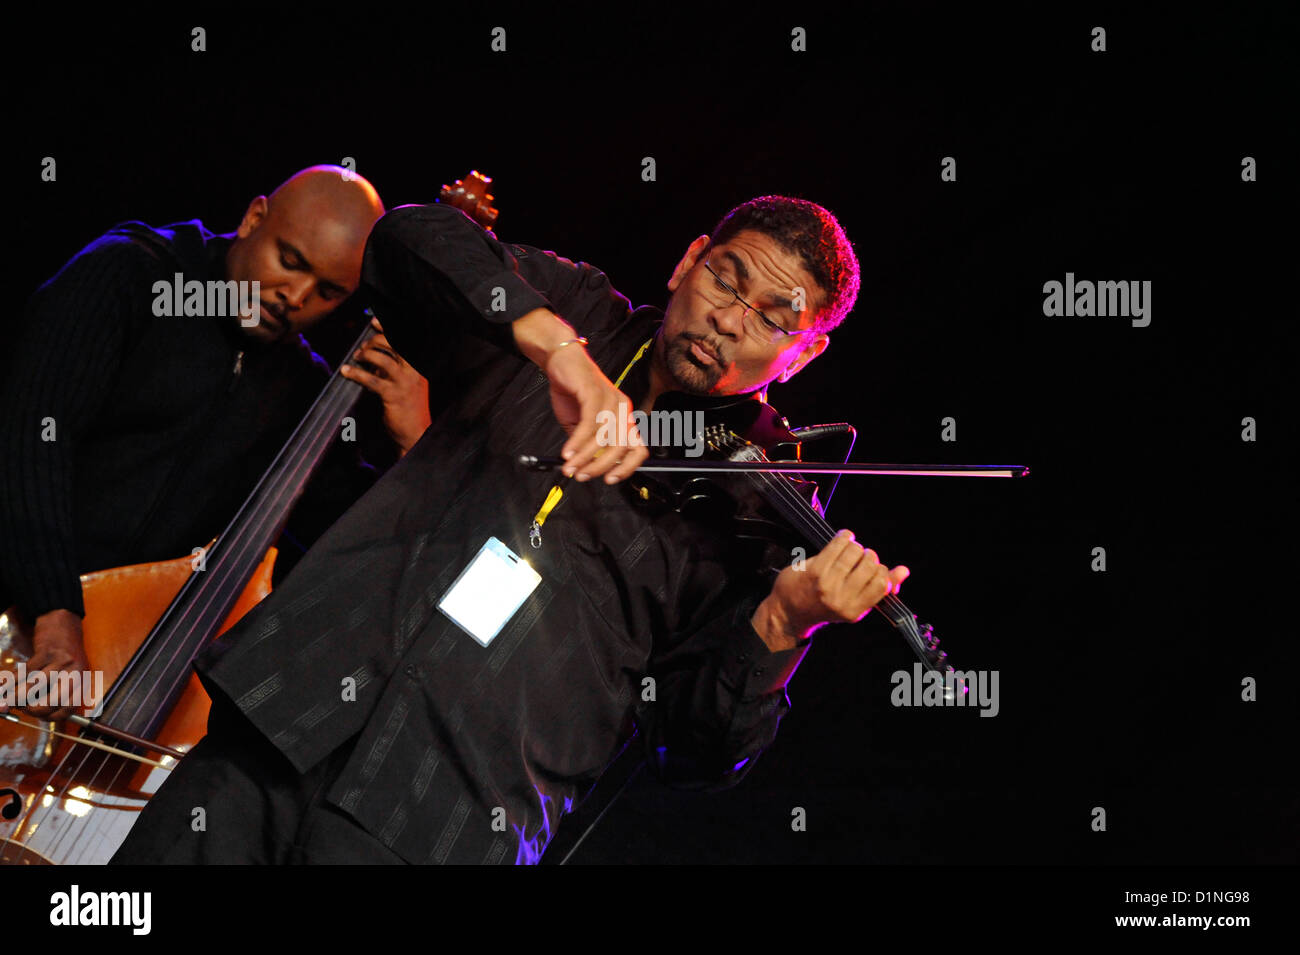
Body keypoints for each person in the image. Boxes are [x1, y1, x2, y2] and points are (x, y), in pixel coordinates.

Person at [108, 194, 910, 865]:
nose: (729, 319)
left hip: (443, 818)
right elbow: (410, 239)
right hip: (294, 712)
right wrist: (558, 351)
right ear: (688, 261)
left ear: (804, 354)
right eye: (725, 280)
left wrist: (780, 623)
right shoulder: (579, 306)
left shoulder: (756, 506)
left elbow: (694, 751)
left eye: (772, 319)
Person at [0, 165, 431, 722]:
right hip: (27, 623)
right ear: (254, 218)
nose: (294, 297)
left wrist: (413, 442)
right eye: (290, 261)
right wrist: (54, 613)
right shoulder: (130, 274)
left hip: (116, 675)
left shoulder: (303, 389)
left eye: (327, 292)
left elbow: (348, 552)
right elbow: (29, 446)